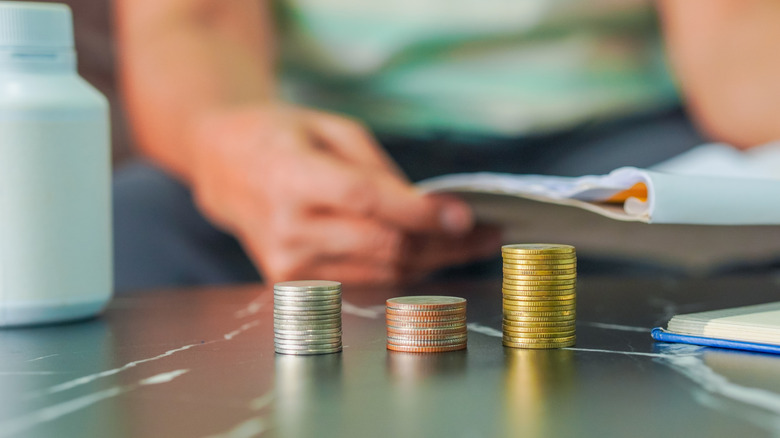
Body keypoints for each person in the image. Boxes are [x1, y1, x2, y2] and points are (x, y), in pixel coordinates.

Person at [112, 0, 780, 291]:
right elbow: (188, 25)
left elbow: (738, 52)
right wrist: (236, 146)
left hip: (620, 138)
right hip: (326, 141)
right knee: (122, 234)